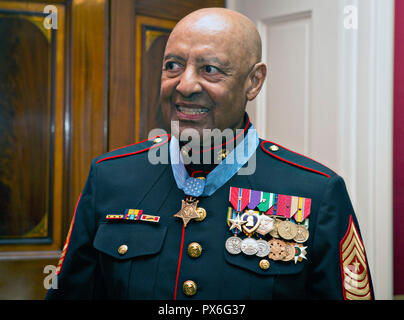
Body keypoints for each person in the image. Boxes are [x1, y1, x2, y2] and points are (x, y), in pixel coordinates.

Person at [46, 8, 374, 300]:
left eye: (210, 69)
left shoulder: (317, 192)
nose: (185, 85)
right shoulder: (111, 176)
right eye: (173, 65)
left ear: (254, 81)